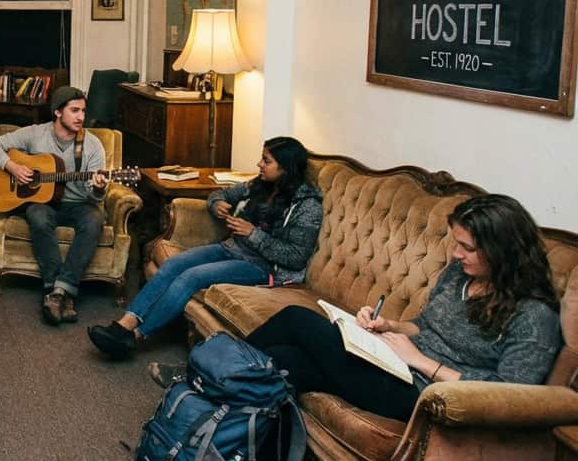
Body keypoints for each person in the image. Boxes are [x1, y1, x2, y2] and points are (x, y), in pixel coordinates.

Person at [244, 194, 561, 422]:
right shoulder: (461, 274)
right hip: (396, 364)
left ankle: (213, 370)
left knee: (297, 319)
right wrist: (390, 327)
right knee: (286, 363)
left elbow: (509, 397)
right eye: (455, 243)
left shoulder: (534, 316)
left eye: (467, 248)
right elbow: (423, 324)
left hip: (422, 395)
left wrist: (421, 362)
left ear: (502, 252)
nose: (455, 254)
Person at [89, 136, 323, 360]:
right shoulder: (260, 184)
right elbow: (221, 193)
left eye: (266, 161)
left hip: (264, 267)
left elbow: (295, 257)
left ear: (286, 168)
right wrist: (217, 204)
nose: (259, 164)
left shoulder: (307, 206)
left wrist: (253, 233)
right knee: (173, 264)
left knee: (190, 277)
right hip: (233, 247)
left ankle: (136, 336)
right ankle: (123, 326)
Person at [0, 85, 110, 325]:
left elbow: (95, 199)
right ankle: (56, 287)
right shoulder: (35, 134)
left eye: (83, 110)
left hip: (77, 204)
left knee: (95, 220)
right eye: (74, 110)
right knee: (38, 216)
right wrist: (12, 167)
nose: (81, 117)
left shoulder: (92, 146)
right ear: (57, 112)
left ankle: (61, 291)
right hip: (44, 204)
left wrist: (98, 187)